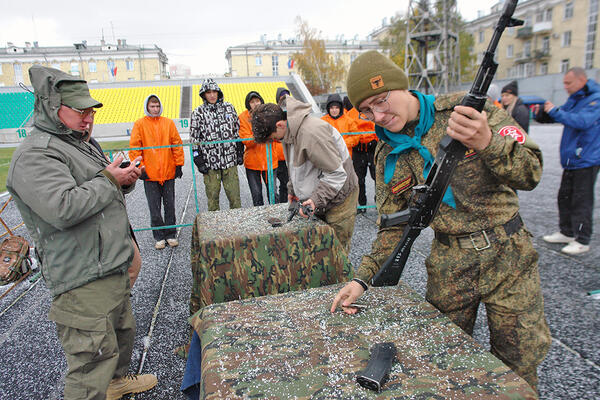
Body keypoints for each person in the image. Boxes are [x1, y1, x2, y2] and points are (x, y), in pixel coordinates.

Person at [330, 51, 551, 391]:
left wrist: (487, 143)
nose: (379, 115)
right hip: (450, 264)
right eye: (367, 110)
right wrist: (361, 279)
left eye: (381, 100)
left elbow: (531, 171)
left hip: (509, 256)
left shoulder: (467, 113)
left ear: (401, 87)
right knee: (445, 357)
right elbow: (392, 226)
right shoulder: (387, 152)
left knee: (518, 362)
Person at [6, 65, 157, 400]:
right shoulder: (36, 154)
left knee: (120, 335)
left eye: (90, 111)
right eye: (80, 111)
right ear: (51, 107)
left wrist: (123, 179)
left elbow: (98, 186)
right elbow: (63, 208)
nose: (88, 119)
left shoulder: (78, 142)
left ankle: (116, 383)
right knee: (89, 366)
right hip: (81, 275)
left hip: (108, 264)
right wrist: (109, 180)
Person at [251, 94, 359, 252]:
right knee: (320, 250)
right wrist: (293, 190)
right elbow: (295, 165)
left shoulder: (311, 134)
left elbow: (336, 174)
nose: (275, 141)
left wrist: (316, 198)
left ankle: (342, 277)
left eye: (273, 138)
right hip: (323, 197)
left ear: (280, 125)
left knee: (336, 252)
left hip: (340, 199)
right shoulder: (289, 130)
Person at [536, 67, 600, 254]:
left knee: (581, 200)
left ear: (581, 80)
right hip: (572, 159)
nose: (565, 86)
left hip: (586, 159)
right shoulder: (576, 98)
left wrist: (555, 111)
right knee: (564, 197)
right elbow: (561, 114)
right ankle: (567, 232)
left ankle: (582, 239)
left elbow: (582, 121)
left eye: (568, 82)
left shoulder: (595, 99)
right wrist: (544, 112)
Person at [129, 94, 184, 250]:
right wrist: (141, 168)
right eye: (152, 106)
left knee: (170, 205)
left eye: (157, 106)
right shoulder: (139, 124)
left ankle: (171, 234)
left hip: (168, 172)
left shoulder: (168, 123)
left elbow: (176, 144)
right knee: (154, 207)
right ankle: (159, 236)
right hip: (150, 175)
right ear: (147, 107)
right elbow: (135, 148)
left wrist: (178, 164)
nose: (155, 109)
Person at [190, 78, 241, 211]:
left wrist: (239, 151)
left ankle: (237, 228)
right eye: (208, 92)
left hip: (230, 163)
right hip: (210, 165)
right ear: (204, 95)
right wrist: (198, 160)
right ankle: (214, 230)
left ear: (219, 92)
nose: (212, 95)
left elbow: (237, 132)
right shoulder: (198, 113)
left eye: (214, 92)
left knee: (235, 199)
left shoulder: (229, 108)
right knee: (213, 200)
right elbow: (194, 141)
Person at [239, 90, 279, 206]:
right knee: (256, 195)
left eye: (257, 101)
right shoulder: (243, 117)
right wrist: (262, 133)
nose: (256, 104)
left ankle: (275, 217)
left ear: (261, 101)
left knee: (273, 194)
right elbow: (247, 141)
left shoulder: (270, 114)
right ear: (248, 104)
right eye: (252, 102)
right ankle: (259, 221)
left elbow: (277, 136)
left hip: (270, 161)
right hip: (252, 163)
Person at [344, 95, 378, 214]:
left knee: (377, 177)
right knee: (359, 179)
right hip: (359, 151)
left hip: (371, 148)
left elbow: (376, 125)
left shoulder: (369, 110)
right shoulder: (350, 114)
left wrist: (375, 139)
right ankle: (362, 204)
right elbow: (350, 130)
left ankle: (378, 201)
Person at [274, 87, 290, 203]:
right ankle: (281, 204)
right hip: (276, 156)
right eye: (282, 97)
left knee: (287, 183)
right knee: (277, 185)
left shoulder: (292, 114)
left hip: (288, 156)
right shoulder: (275, 114)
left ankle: (286, 203)